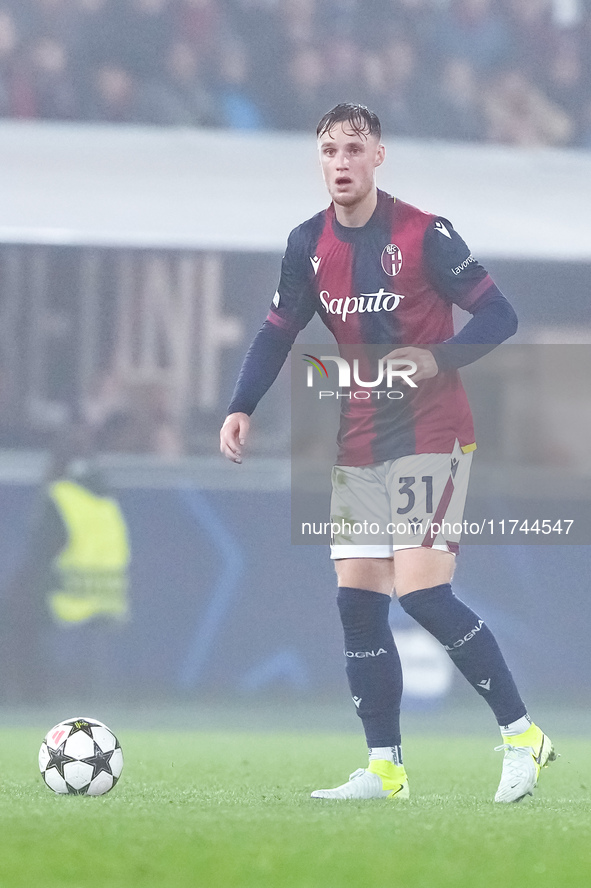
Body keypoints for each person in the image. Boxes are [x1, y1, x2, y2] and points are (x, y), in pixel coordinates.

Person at [219, 103, 555, 803]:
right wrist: (240, 406)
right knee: (357, 605)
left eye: (352, 148)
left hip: (433, 432)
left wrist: (439, 358)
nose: (339, 162)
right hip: (360, 438)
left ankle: (522, 735)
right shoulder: (306, 244)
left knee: (425, 593)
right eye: (328, 151)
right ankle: (384, 769)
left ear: (378, 157)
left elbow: (500, 315)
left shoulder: (424, 234)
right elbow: (277, 332)